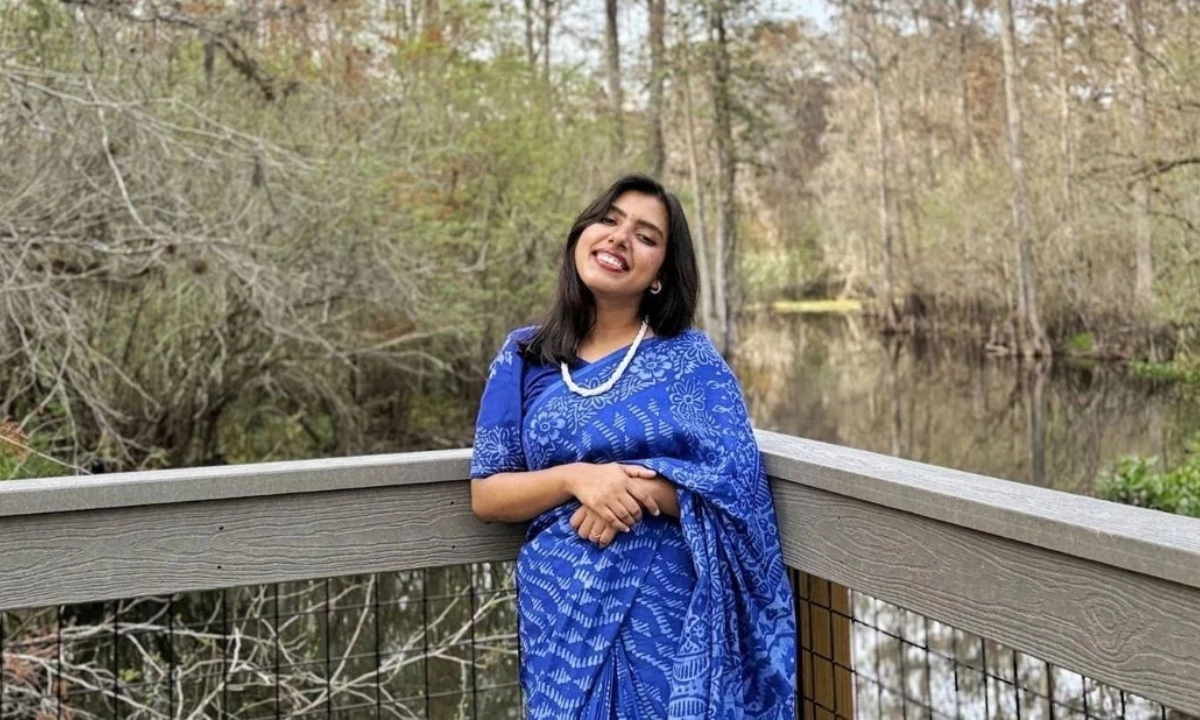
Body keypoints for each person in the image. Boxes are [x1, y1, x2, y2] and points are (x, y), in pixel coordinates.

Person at [470, 174, 796, 719]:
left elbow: (741, 495)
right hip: (562, 611)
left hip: (670, 617)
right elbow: (487, 494)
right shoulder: (525, 355)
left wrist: (634, 490)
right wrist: (577, 479)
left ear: (661, 275)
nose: (620, 238)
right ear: (582, 235)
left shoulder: (692, 363)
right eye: (609, 220)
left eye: (646, 237)